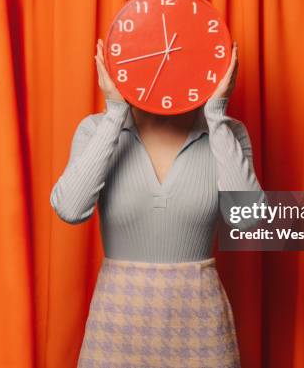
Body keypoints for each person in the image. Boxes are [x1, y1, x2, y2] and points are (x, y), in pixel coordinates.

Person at [50, 34, 264, 367]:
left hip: (200, 326)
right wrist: (115, 113)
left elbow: (248, 218)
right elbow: (70, 208)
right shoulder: (96, 129)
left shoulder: (227, 132)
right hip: (117, 326)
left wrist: (216, 116)